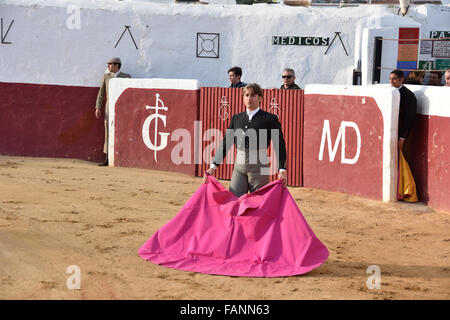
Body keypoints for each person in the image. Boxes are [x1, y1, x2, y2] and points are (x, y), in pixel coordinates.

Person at [204, 83, 287, 197]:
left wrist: (282, 168)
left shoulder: (270, 119)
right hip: (240, 165)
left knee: (259, 203)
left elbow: (279, 144)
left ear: (260, 98)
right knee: (234, 200)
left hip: (259, 166)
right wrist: (213, 166)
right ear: (243, 98)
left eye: (253, 95)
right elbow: (226, 142)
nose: (249, 98)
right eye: (246, 95)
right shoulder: (237, 118)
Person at [95, 57, 131, 166]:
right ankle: (108, 157)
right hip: (108, 107)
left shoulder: (126, 77)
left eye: (110, 64)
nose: (108, 66)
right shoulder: (106, 77)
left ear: (116, 65)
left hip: (122, 109)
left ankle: (122, 155)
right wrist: (98, 107)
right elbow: (101, 93)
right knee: (108, 130)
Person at [389, 69, 417, 152]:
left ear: (401, 80)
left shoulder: (408, 95)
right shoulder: (389, 92)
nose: (391, 81)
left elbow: (409, 118)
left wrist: (402, 137)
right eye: (390, 79)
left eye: (394, 79)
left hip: (402, 133)